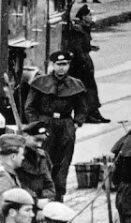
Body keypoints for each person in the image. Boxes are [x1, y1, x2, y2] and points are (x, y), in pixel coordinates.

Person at [25, 51, 87, 202]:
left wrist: (77, 123)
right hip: (46, 125)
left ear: (69, 65)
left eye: (65, 65)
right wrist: (37, 125)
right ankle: (42, 195)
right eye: (58, 65)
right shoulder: (40, 82)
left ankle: (58, 196)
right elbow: (30, 107)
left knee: (63, 162)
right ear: (52, 65)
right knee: (44, 159)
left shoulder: (75, 84)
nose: (61, 68)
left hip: (66, 125)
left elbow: (82, 108)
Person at [63, 3, 110, 123]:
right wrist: (84, 62)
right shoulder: (78, 30)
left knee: (91, 89)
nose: (91, 17)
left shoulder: (85, 28)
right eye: (89, 15)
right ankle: (88, 114)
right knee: (86, 90)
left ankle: (94, 112)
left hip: (85, 62)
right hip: (80, 65)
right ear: (83, 17)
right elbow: (77, 48)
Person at [17, 122, 55, 223]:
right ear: (26, 136)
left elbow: (49, 184)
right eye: (36, 140)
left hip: (41, 207)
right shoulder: (17, 158)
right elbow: (18, 185)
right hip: (22, 207)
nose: (39, 145)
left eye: (42, 141)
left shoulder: (43, 156)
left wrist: (43, 207)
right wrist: (36, 202)